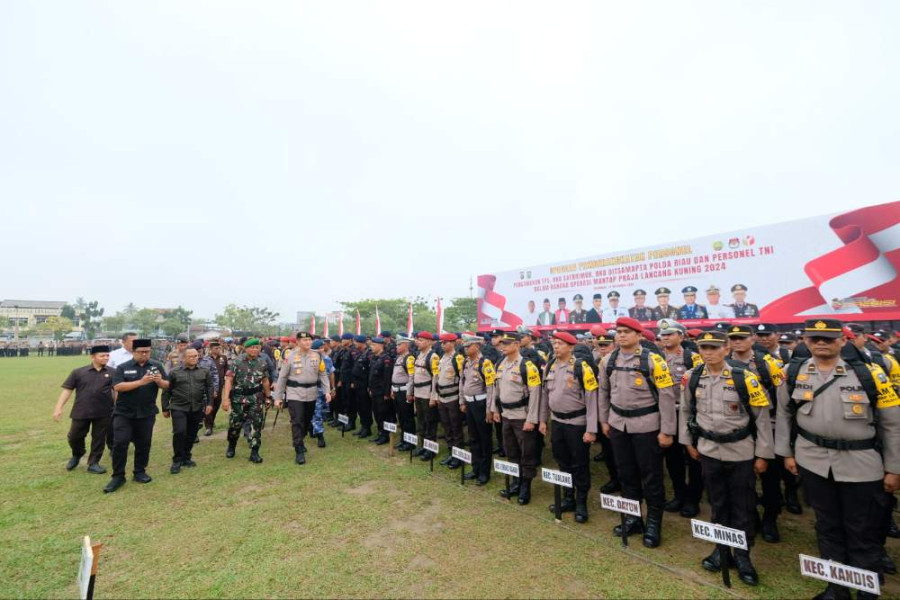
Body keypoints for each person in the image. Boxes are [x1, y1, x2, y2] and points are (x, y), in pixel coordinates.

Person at [775, 319, 900, 600]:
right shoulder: (793, 372)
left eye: (829, 339)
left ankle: (868, 590)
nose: (822, 343)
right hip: (813, 459)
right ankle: (836, 587)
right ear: (806, 341)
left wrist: (894, 468)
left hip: (861, 464)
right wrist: (786, 452)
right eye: (815, 338)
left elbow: (893, 425)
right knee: (827, 525)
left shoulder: (871, 374)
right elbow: (783, 414)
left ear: (843, 341)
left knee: (862, 529)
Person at [680, 330, 774, 586]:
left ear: (726, 349)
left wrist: (763, 454)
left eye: (714, 347)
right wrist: (688, 441)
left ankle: (743, 556)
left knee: (742, 506)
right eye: (704, 347)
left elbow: (762, 419)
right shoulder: (693, 376)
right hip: (708, 450)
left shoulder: (745, 378)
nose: (708, 352)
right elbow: (686, 410)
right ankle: (721, 550)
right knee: (717, 503)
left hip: (740, 451)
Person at [599, 317, 677, 548]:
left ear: (639, 335)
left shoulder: (653, 361)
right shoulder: (607, 360)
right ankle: (633, 518)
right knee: (626, 474)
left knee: (651, 476)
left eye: (627, 331)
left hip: (647, 426)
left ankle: (653, 522)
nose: (621, 335)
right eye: (618, 331)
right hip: (618, 424)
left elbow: (666, 396)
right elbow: (604, 392)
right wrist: (604, 421)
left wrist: (667, 431)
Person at [540, 331, 599, 523]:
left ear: (571, 347)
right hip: (557, 422)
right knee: (562, 461)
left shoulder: (581, 367)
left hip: (577, 424)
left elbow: (592, 399)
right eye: (554, 343)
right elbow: (544, 397)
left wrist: (591, 429)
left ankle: (581, 503)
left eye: (561, 343)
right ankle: (568, 498)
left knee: (579, 464)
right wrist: (542, 420)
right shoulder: (550, 366)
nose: (556, 346)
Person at [105, 339, 170, 493]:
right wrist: (141, 382)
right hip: (124, 413)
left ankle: (139, 471)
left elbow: (168, 385)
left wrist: (160, 381)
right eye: (141, 352)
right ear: (133, 351)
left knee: (144, 443)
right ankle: (118, 476)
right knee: (120, 443)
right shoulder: (123, 367)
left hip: (146, 413)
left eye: (147, 351)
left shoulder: (156, 366)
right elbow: (118, 386)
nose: (144, 354)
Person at [656, 319, 704, 518]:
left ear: (681, 336)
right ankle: (679, 494)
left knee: (694, 458)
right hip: (666, 414)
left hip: (690, 413)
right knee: (672, 458)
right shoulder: (655, 357)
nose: (665, 337)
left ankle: (693, 499)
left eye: (670, 334)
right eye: (663, 334)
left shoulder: (693, 358)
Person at [490, 332, 543, 505]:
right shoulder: (500, 364)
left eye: (507, 343)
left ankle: (525, 487)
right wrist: (495, 409)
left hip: (522, 416)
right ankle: (515, 483)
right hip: (506, 415)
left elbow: (536, 394)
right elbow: (496, 389)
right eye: (501, 343)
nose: (502, 346)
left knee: (527, 454)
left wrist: (532, 419)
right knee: (511, 451)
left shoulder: (527, 366)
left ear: (517, 345)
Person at [53, 344, 115, 474]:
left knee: (99, 438)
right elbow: (67, 390)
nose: (106, 358)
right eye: (102, 355)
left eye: (107, 355)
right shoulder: (78, 372)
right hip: (81, 410)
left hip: (104, 412)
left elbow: (116, 392)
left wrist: (117, 407)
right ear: (92, 357)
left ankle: (93, 463)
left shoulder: (112, 372)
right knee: (74, 436)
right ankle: (77, 453)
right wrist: (59, 407)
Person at [274, 332, 331, 464]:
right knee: (297, 420)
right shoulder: (290, 356)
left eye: (309, 340)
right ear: (298, 342)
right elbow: (282, 377)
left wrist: (327, 391)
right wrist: (278, 397)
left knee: (306, 420)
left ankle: (300, 438)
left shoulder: (317, 355)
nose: (307, 342)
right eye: (304, 340)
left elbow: (323, 374)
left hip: (312, 392)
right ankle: (299, 449)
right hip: (295, 392)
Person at [161, 348, 214, 474]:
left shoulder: (204, 371)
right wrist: (165, 407)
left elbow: (209, 388)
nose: (194, 358)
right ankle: (177, 460)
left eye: (196, 356)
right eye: (190, 356)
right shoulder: (174, 372)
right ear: (183, 358)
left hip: (196, 407)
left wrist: (210, 404)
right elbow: (166, 391)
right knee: (179, 432)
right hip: (179, 407)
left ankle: (186, 456)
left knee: (192, 433)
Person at [222, 338, 271, 464]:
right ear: (246, 348)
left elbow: (265, 380)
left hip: (256, 398)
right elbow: (229, 380)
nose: (255, 350)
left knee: (257, 426)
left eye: (257, 347)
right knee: (235, 425)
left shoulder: (262, 362)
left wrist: (268, 397)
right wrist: (226, 398)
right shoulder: (236, 362)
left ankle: (254, 452)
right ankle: (231, 446)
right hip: (239, 399)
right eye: (252, 347)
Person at [460, 334, 496, 486]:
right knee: (473, 438)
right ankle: (475, 468)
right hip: (469, 404)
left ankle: (484, 472)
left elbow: (491, 387)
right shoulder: (466, 362)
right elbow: (462, 383)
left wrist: (490, 409)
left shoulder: (485, 363)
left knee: (484, 439)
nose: (466, 349)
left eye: (469, 346)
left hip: (481, 405)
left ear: (477, 346)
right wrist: (462, 401)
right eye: (465, 347)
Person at [433, 333, 465, 468]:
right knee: (447, 427)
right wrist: (437, 396)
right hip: (443, 398)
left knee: (456, 428)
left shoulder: (458, 358)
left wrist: (461, 399)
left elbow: (462, 379)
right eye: (442, 343)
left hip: (453, 398)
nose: (442, 345)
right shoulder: (442, 358)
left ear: (453, 343)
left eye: (445, 342)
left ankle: (458, 456)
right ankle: (451, 453)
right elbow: (438, 377)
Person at [409, 332, 440, 460]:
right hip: (419, 393)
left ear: (428, 341)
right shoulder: (419, 355)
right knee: (421, 422)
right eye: (417, 340)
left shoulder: (433, 357)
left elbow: (435, 378)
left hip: (428, 394)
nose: (417, 342)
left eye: (421, 340)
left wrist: (433, 396)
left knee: (430, 423)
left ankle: (430, 449)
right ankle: (422, 446)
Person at [367, 337, 395, 446]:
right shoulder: (375, 358)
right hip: (374, 391)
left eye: (373, 345)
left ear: (380, 345)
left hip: (382, 392)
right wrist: (370, 388)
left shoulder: (386, 358)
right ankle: (380, 433)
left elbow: (387, 377)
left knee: (384, 414)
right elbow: (372, 375)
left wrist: (387, 393)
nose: (371, 347)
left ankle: (385, 435)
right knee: (377, 413)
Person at [391, 336, 417, 451]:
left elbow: (411, 377)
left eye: (399, 345)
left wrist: (410, 392)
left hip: (404, 391)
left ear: (406, 345)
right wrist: (392, 389)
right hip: (397, 390)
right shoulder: (399, 358)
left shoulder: (409, 358)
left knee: (408, 418)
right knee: (401, 417)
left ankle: (410, 442)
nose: (396, 347)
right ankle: (403, 440)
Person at [311, 339, 335, 446]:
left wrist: (332, 388)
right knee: (315, 412)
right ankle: (317, 432)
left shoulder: (326, 359)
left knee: (318, 413)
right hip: (311, 389)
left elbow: (331, 374)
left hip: (321, 389)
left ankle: (318, 433)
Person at [204, 340, 229, 435]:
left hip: (220, 385)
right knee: (209, 404)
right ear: (210, 349)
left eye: (219, 348)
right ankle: (208, 426)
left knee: (217, 404)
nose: (218, 350)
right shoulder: (206, 359)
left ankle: (211, 420)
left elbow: (227, 369)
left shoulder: (223, 358)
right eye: (216, 348)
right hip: (209, 385)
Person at [350, 335, 373, 438]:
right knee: (360, 407)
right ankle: (363, 427)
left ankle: (367, 428)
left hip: (364, 385)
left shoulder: (369, 353)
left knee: (365, 407)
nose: (354, 344)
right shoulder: (360, 353)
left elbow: (369, 371)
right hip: (358, 384)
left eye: (356, 342)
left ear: (361, 343)